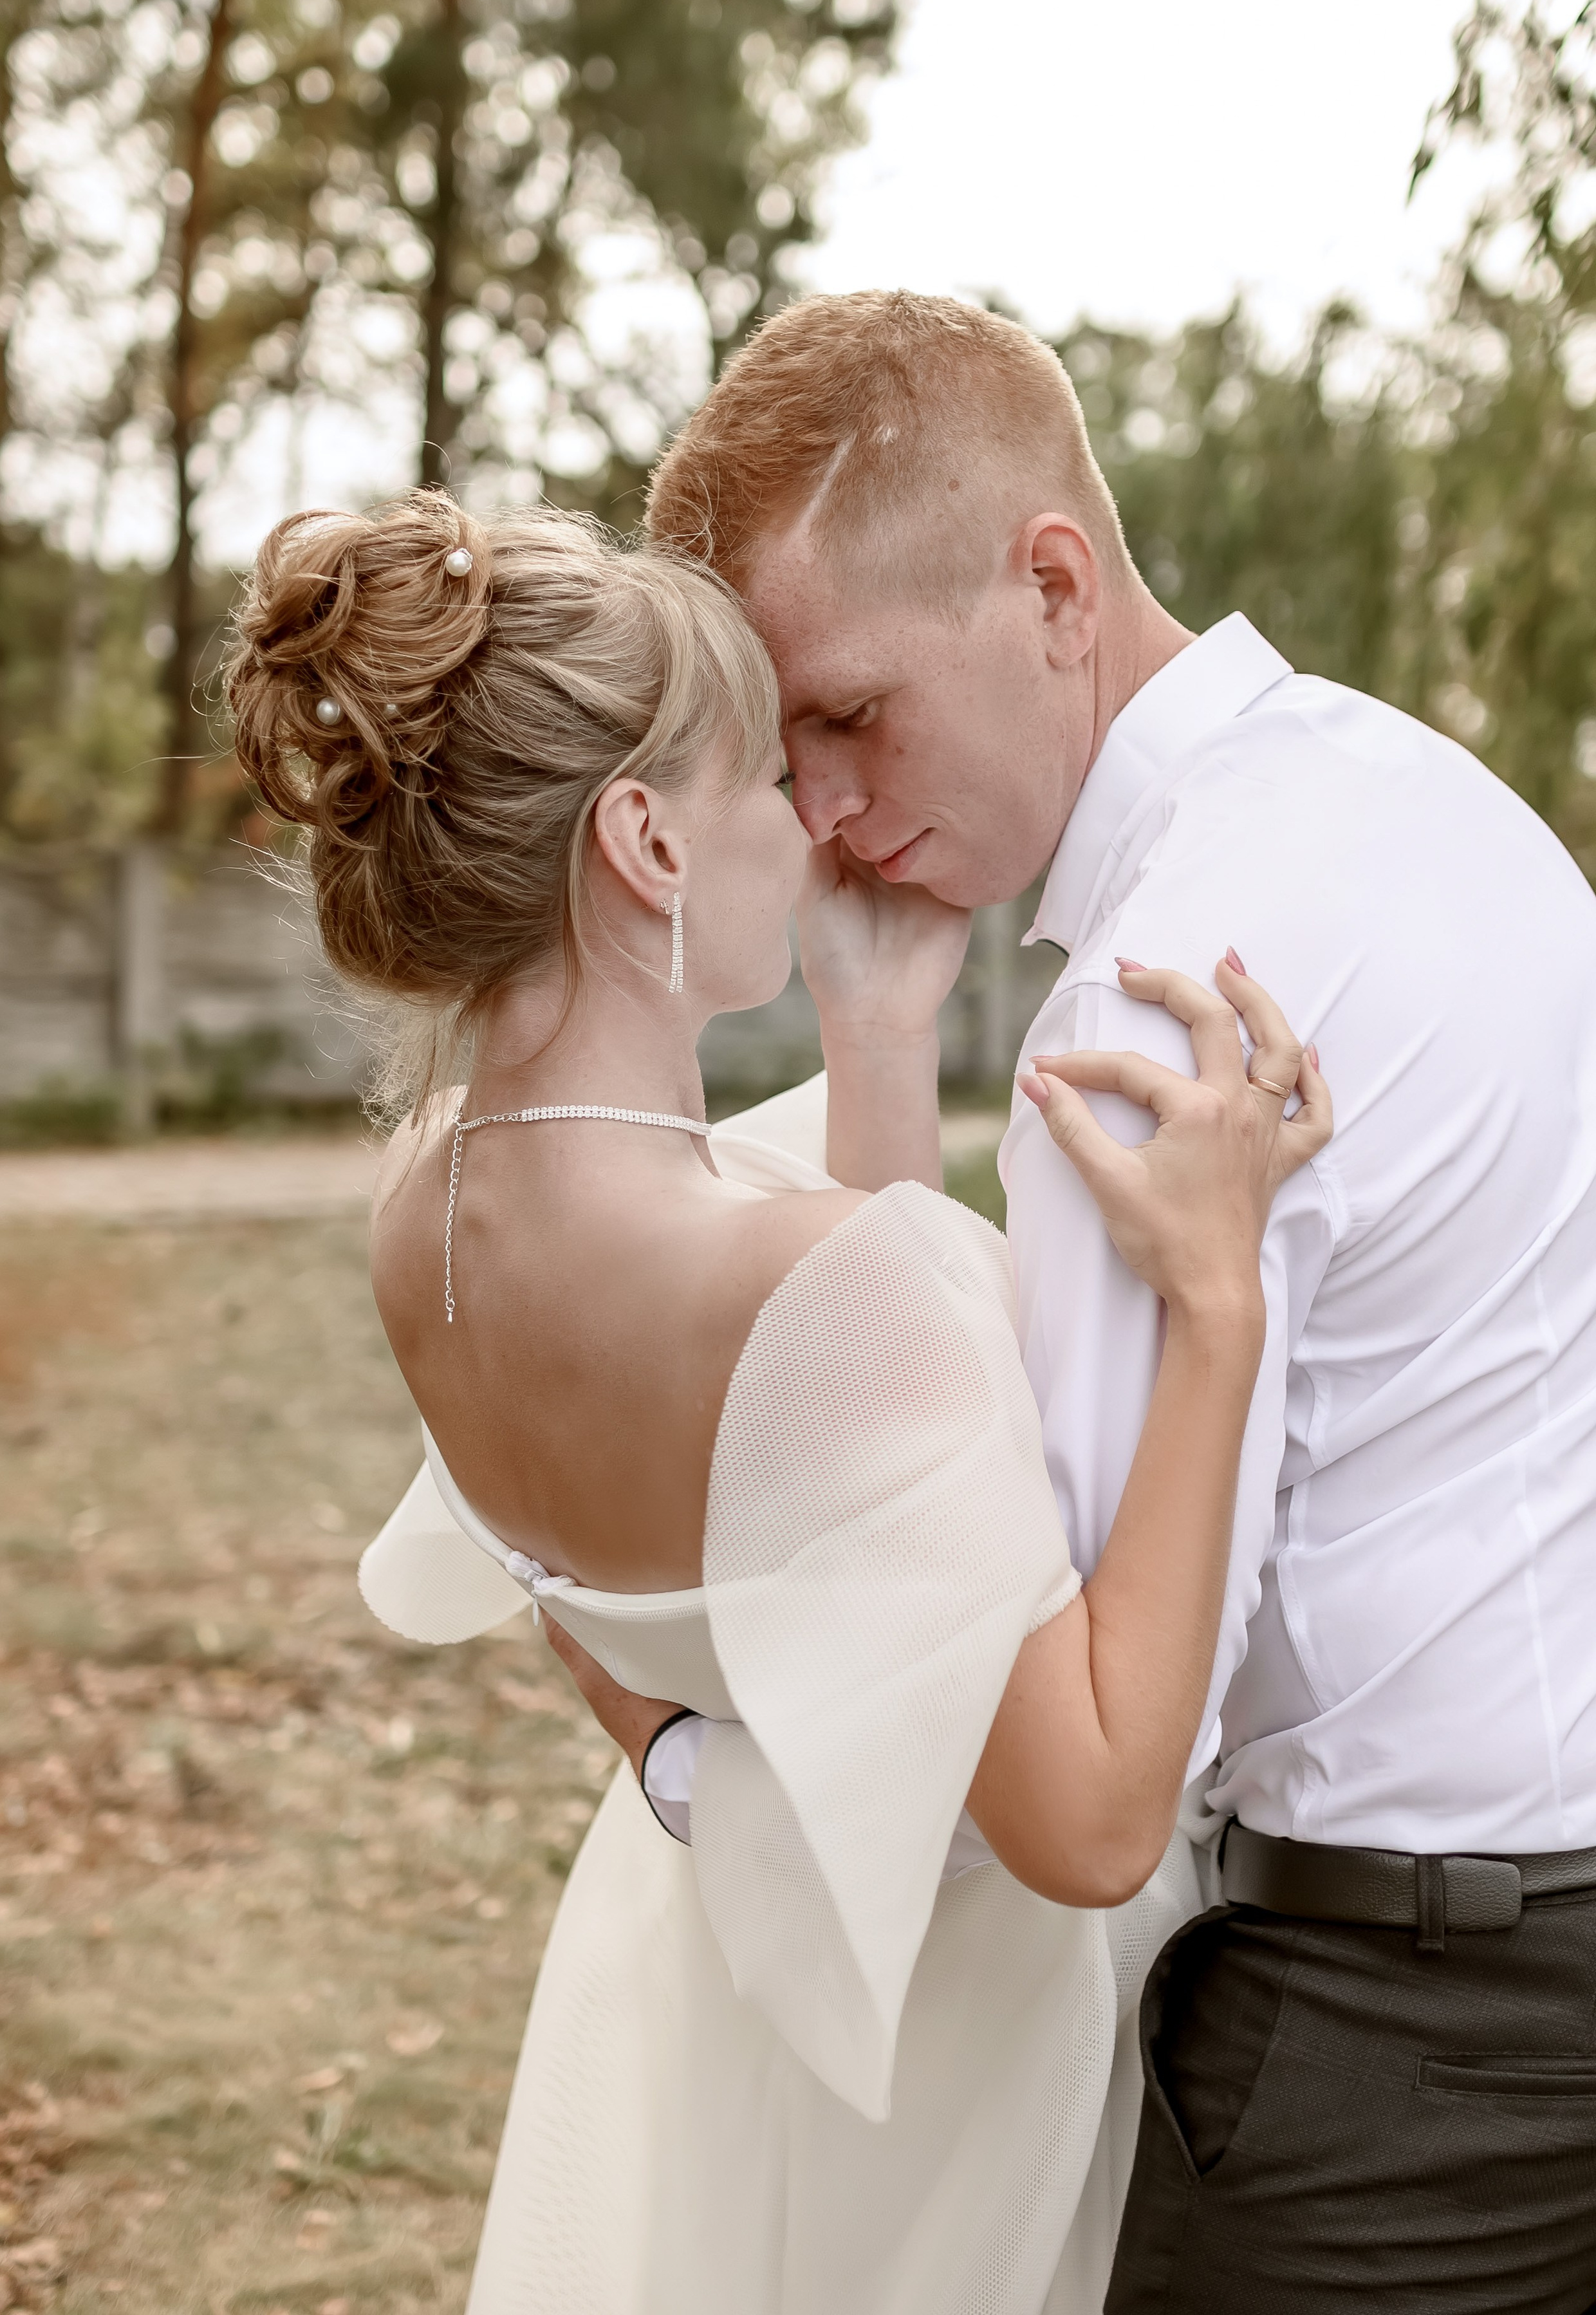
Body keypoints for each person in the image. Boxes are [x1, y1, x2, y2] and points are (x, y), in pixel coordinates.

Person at [224, 491, 1328, 2315]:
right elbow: (1095, 1825)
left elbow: (675, 1557)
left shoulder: (430, 1204)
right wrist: (1218, 1298)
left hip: (717, 1993)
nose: (812, 821)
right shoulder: (813, 1286)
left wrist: (876, 1036)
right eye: (762, 778)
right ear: (647, 839)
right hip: (942, 2060)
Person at [620, 288, 1596, 2314]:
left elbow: (1035, 1766)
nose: (812, 811)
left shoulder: (1145, 1034)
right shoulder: (1430, 803)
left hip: (1409, 2066)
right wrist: (885, 1038)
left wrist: (666, 1749)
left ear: (1052, 585)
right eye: (776, 747)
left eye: (847, 714)